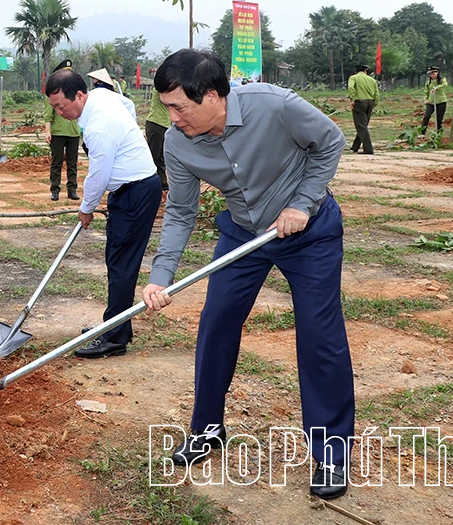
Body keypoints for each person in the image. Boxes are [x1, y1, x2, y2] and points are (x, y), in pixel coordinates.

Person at [143, 49, 351, 501]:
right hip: (243, 236)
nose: (172, 117)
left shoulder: (274, 105)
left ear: (214, 96)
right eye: (167, 107)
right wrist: (160, 276)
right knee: (216, 323)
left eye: (179, 106)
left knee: (320, 335)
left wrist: (303, 202)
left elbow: (331, 141)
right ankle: (207, 430)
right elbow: (179, 211)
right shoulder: (178, 142)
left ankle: (332, 453)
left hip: (308, 231)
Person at [45, 69, 160, 358]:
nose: (60, 113)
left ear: (79, 95)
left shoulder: (97, 126)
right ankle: (113, 325)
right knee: (117, 259)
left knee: (121, 263)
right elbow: (128, 106)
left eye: (61, 106)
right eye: (54, 108)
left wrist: (86, 209)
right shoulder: (101, 95)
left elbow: (99, 174)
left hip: (136, 192)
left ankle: (115, 337)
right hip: (132, 189)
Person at [44, 59, 81, 201]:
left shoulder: (74, 93)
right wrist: (48, 131)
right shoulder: (53, 93)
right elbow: (48, 114)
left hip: (73, 132)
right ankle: (55, 190)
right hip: (57, 132)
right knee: (56, 162)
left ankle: (72, 190)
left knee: (72, 163)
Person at [346, 64, 379, 155]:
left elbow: (351, 88)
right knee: (363, 125)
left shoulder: (353, 78)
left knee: (361, 126)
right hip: (370, 102)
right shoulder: (372, 80)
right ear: (365, 71)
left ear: (356, 71)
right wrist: (374, 104)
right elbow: (377, 94)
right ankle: (355, 146)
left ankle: (368, 149)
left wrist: (352, 99)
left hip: (359, 103)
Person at [144, 86, 170, 191]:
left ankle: (162, 183)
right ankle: (151, 184)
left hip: (164, 124)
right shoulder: (160, 87)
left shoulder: (168, 88)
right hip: (156, 123)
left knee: (161, 157)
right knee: (154, 157)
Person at [420, 66, 448, 135]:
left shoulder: (442, 80)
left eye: (433, 73)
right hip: (431, 102)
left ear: (437, 72)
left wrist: (436, 88)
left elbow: (445, 84)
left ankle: (438, 134)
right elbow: (426, 91)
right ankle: (422, 133)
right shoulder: (428, 81)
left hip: (441, 102)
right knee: (426, 117)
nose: (432, 75)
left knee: (439, 119)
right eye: (430, 74)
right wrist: (426, 99)